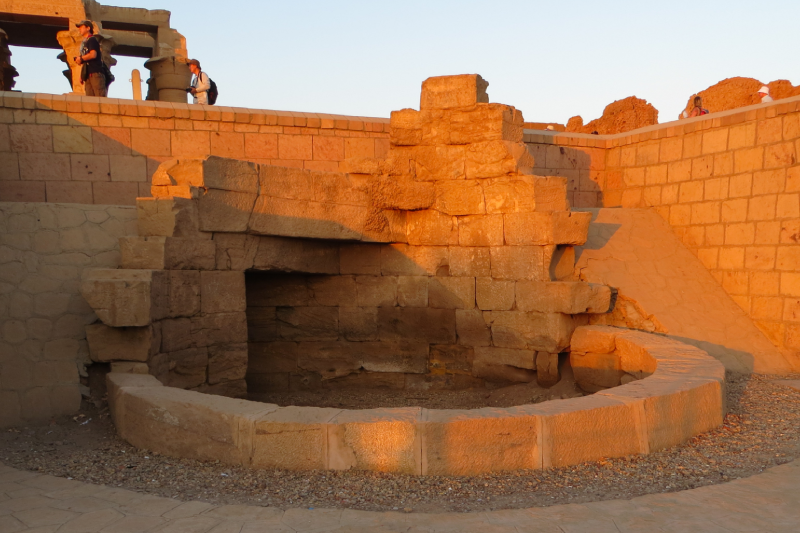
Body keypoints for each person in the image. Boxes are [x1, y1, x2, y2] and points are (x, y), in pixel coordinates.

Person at [74, 20, 106, 97]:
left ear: (88, 28)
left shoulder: (92, 40)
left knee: (100, 99)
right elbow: (86, 61)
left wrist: (81, 58)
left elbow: (93, 54)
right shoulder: (85, 42)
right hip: (88, 74)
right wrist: (82, 75)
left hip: (95, 73)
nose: (79, 29)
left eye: (81, 27)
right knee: (90, 101)